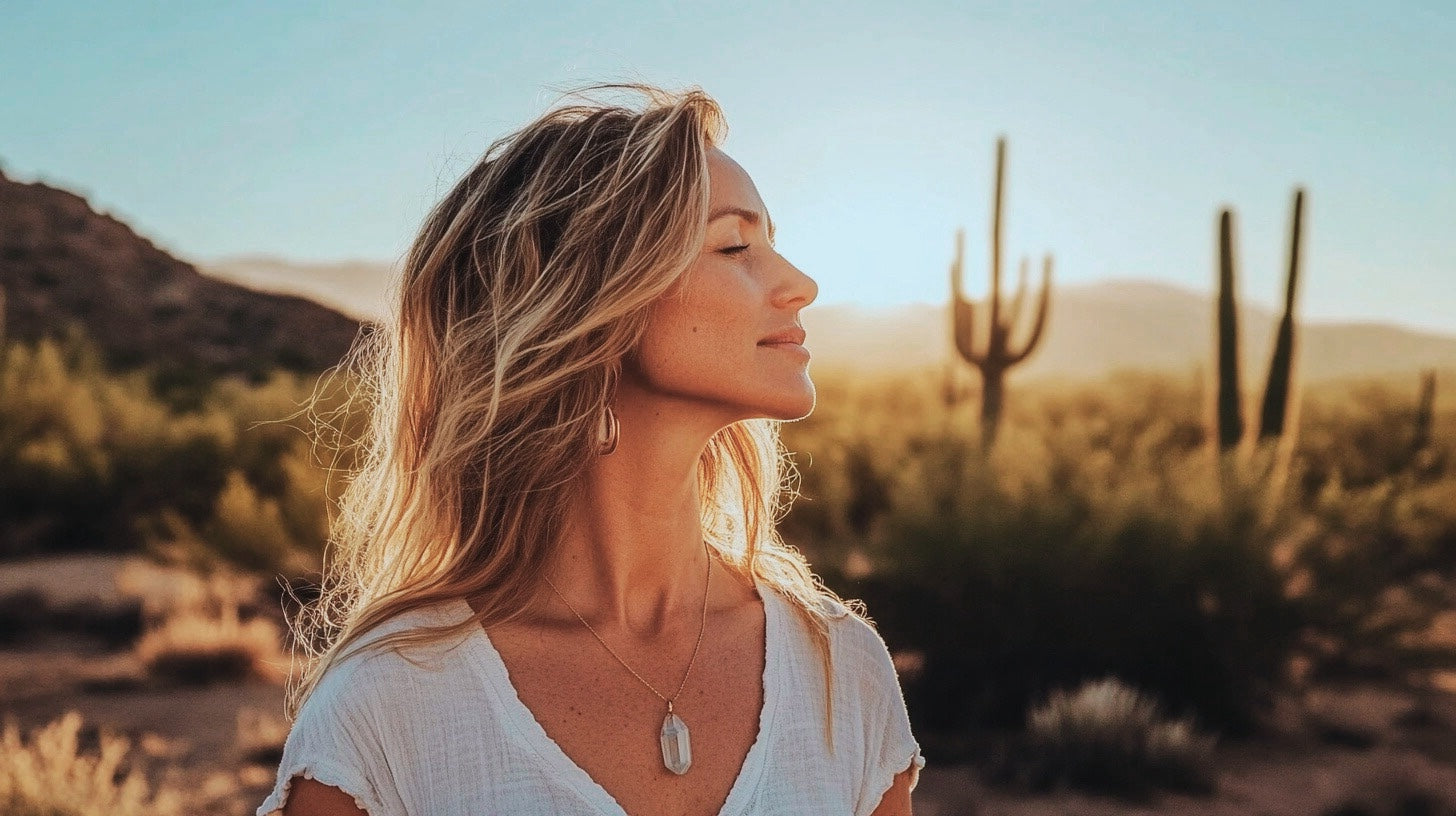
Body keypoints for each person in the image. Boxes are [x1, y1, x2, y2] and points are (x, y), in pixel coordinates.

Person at [258, 82, 924, 816]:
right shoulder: (390, 707)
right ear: (590, 304)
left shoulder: (839, 671)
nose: (801, 284)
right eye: (735, 245)